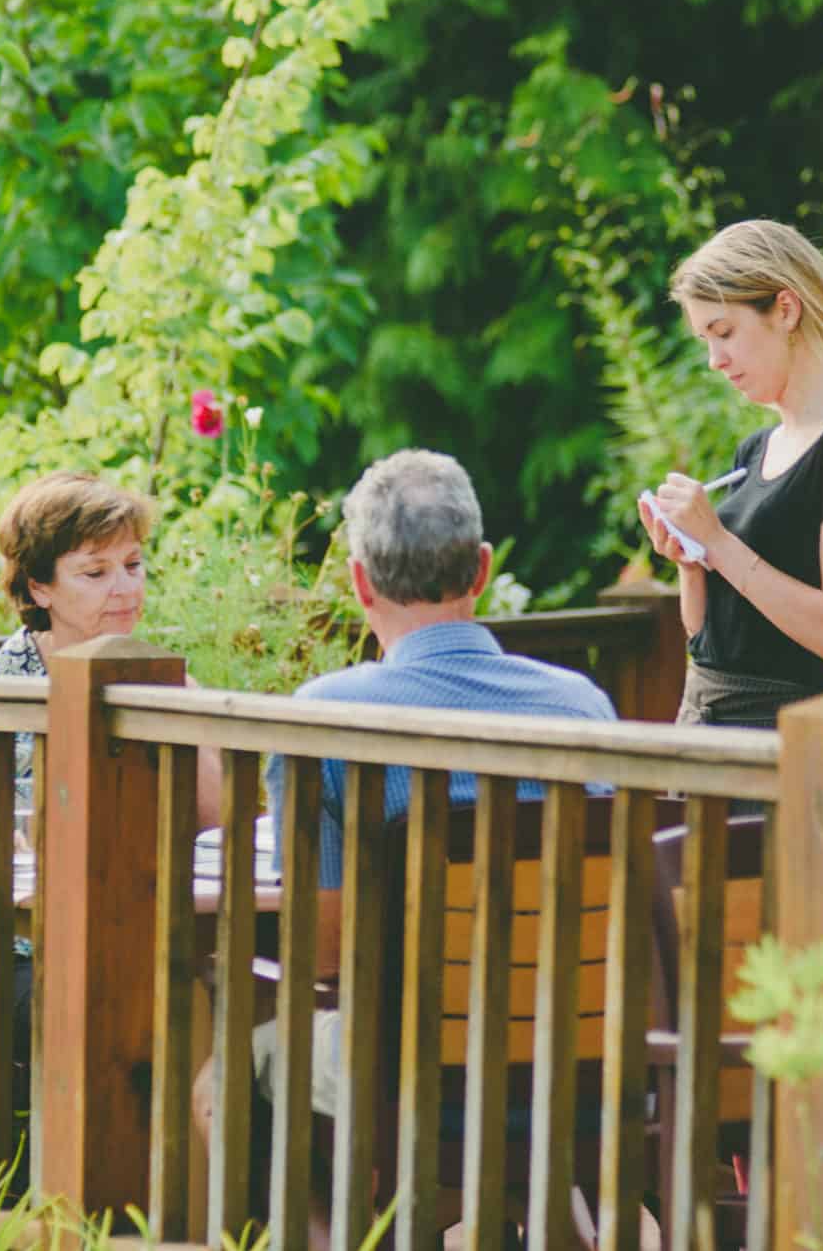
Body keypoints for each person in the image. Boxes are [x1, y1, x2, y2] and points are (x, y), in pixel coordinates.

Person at [192, 449, 615, 1231]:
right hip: (574, 1062)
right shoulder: (582, 707)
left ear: (359, 585)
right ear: (481, 568)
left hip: (406, 1067)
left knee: (226, 1074)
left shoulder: (324, 718)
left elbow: (324, 954)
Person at [640, 218, 823, 726]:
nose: (713, 360)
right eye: (705, 339)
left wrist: (721, 546)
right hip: (709, 731)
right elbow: (710, 642)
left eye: (724, 332)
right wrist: (690, 559)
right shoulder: (755, 450)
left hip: (793, 746)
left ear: (785, 310)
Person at [0, 470, 218, 902]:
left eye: (133, 565)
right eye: (95, 573)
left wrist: (185, 709)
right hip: (14, 950)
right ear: (39, 588)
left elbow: (225, 845)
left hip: (150, 941)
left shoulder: (174, 688)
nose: (126, 589)